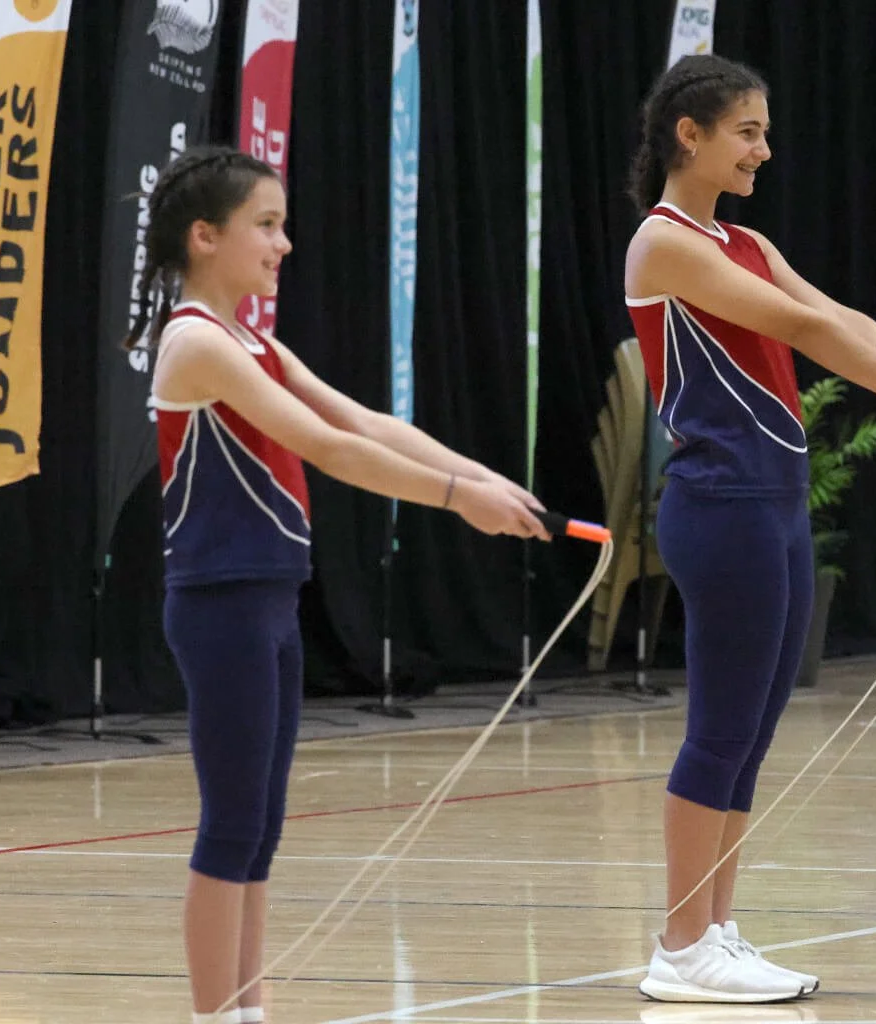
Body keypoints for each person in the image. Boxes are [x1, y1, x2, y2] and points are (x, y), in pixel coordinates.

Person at [133, 145, 548, 1023]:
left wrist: (487, 479)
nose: (284, 244)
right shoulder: (195, 342)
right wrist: (455, 500)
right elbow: (329, 449)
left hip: (270, 602)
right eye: (267, 226)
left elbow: (366, 420)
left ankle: (249, 1008)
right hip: (221, 606)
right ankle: (219, 1015)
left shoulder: (250, 338)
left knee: (261, 826)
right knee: (232, 823)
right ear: (204, 237)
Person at [621, 54, 876, 1001]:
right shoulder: (664, 246)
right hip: (723, 507)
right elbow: (804, 333)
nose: (765, 149)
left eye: (765, 129)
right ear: (689, 135)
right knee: (720, 726)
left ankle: (716, 927)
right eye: (747, 131)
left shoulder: (742, 240)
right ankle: (679, 945)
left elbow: (842, 314)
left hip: (775, 503)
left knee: (751, 730)